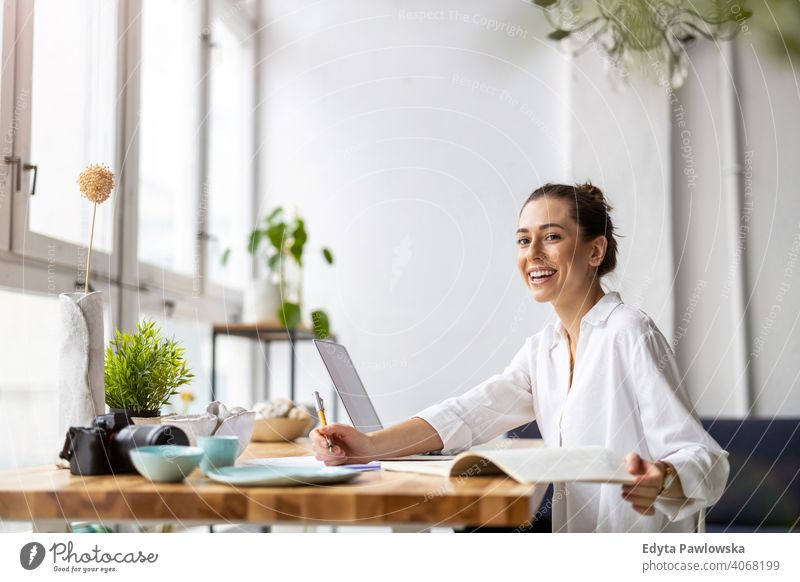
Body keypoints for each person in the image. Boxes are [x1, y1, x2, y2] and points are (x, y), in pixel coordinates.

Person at [311, 182, 729, 533]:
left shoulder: (630, 332)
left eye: (551, 237)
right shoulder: (542, 350)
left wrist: (665, 479)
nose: (533, 254)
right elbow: (469, 413)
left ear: (595, 251)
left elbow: (707, 461)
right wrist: (368, 445)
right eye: (523, 240)